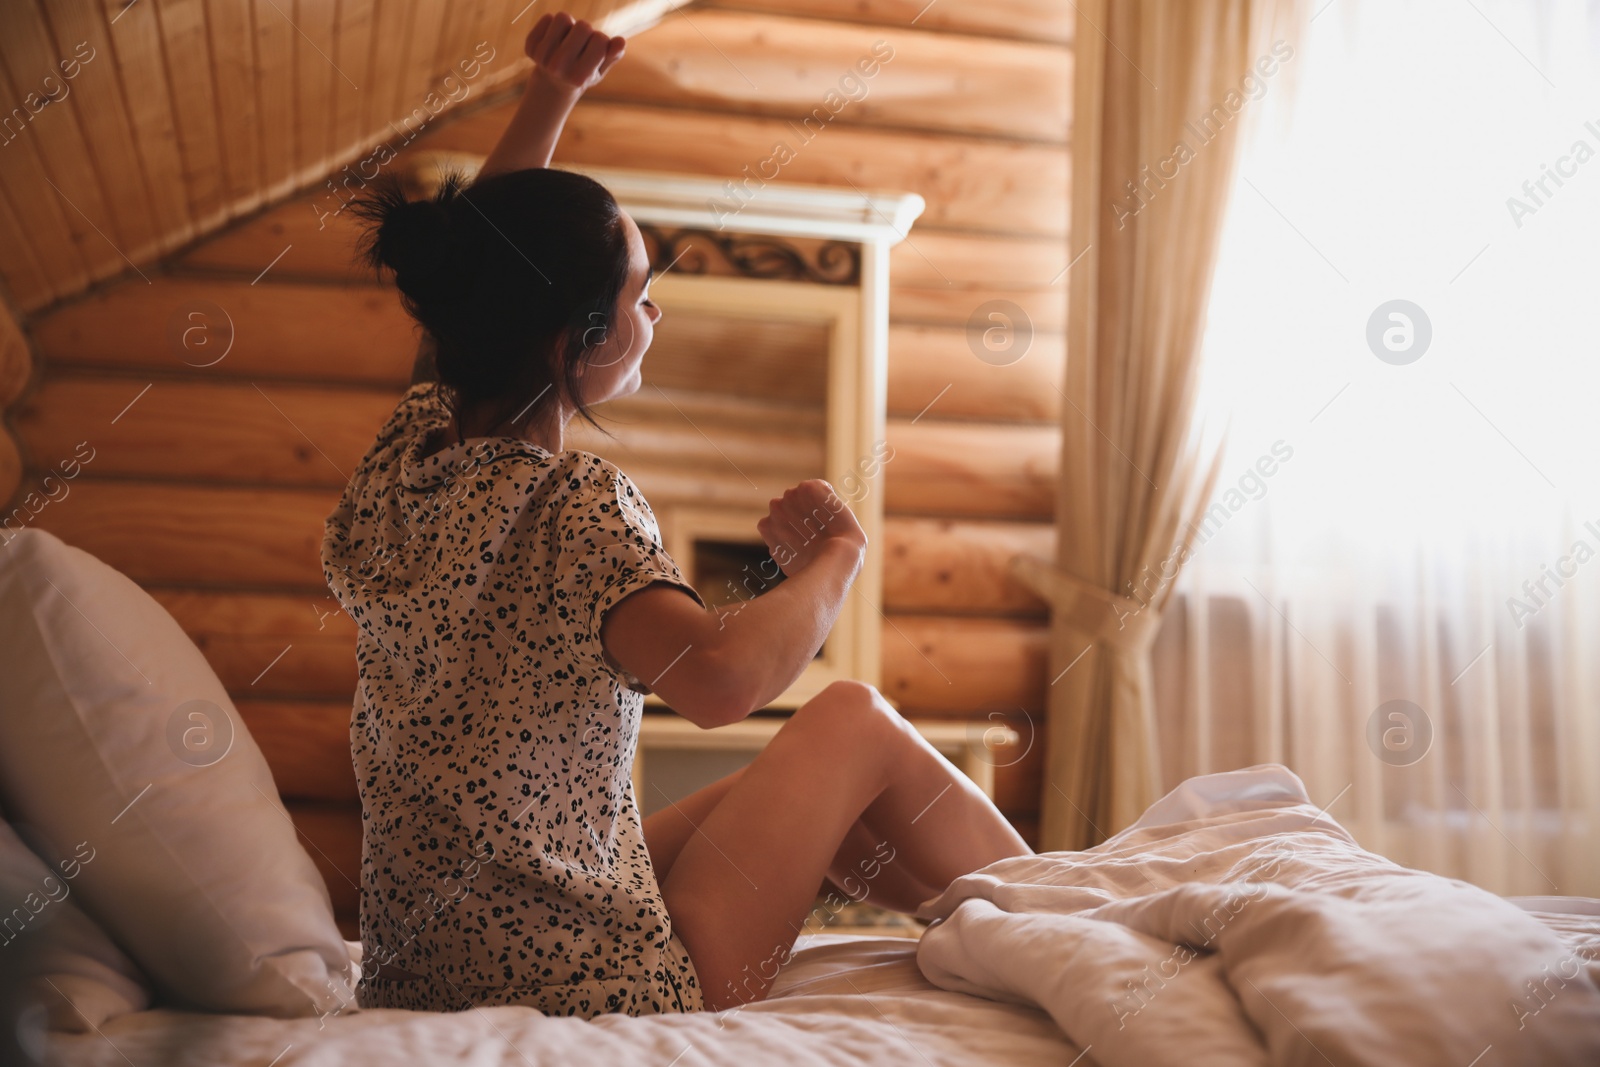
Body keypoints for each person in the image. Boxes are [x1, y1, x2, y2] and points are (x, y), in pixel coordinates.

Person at [323, 11, 1032, 1019]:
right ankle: (1071, 919)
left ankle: (1017, 931)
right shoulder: (570, 501)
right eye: (642, 293)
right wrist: (834, 556)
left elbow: (478, 285)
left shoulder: (403, 465)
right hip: (584, 982)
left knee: (833, 811)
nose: (655, 315)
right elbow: (720, 680)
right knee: (851, 720)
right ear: (582, 335)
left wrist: (551, 97)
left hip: (429, 959)